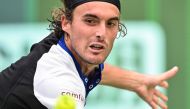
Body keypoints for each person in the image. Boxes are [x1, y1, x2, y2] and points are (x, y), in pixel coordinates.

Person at [0, 0, 178, 109]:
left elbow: (93, 68)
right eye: (90, 21)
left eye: (110, 24)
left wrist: (136, 82)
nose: (101, 33)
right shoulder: (57, 81)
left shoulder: (65, 47)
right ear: (66, 23)